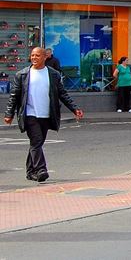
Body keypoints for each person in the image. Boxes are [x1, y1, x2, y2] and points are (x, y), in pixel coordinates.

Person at [3, 46, 84, 182]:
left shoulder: (53, 74)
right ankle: (41, 169)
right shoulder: (22, 74)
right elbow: (14, 96)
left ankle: (30, 172)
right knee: (36, 141)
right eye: (32, 55)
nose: (34, 58)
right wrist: (9, 113)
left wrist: (74, 109)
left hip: (46, 114)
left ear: (45, 57)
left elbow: (62, 94)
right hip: (29, 114)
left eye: (37, 55)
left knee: (37, 144)